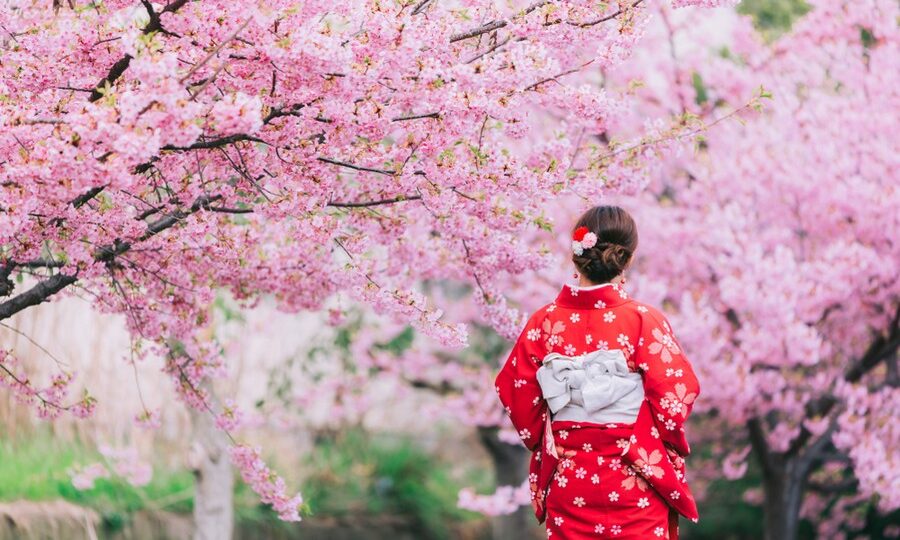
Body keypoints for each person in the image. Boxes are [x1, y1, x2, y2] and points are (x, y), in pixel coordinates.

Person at [495, 205, 700, 540]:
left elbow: (515, 392)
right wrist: (644, 440)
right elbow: (677, 392)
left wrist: (556, 438)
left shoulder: (543, 322)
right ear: (627, 259)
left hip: (570, 477)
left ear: (577, 256)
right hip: (634, 476)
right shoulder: (643, 320)